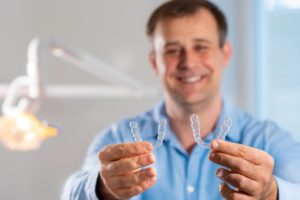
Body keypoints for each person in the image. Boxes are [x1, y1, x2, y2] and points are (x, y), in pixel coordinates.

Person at [61, 0, 300, 199]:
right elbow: (71, 192)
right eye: (173, 50)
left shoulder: (267, 140)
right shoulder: (117, 138)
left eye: (201, 46)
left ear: (224, 54)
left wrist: (272, 193)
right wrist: (101, 187)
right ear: (155, 62)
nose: (188, 62)